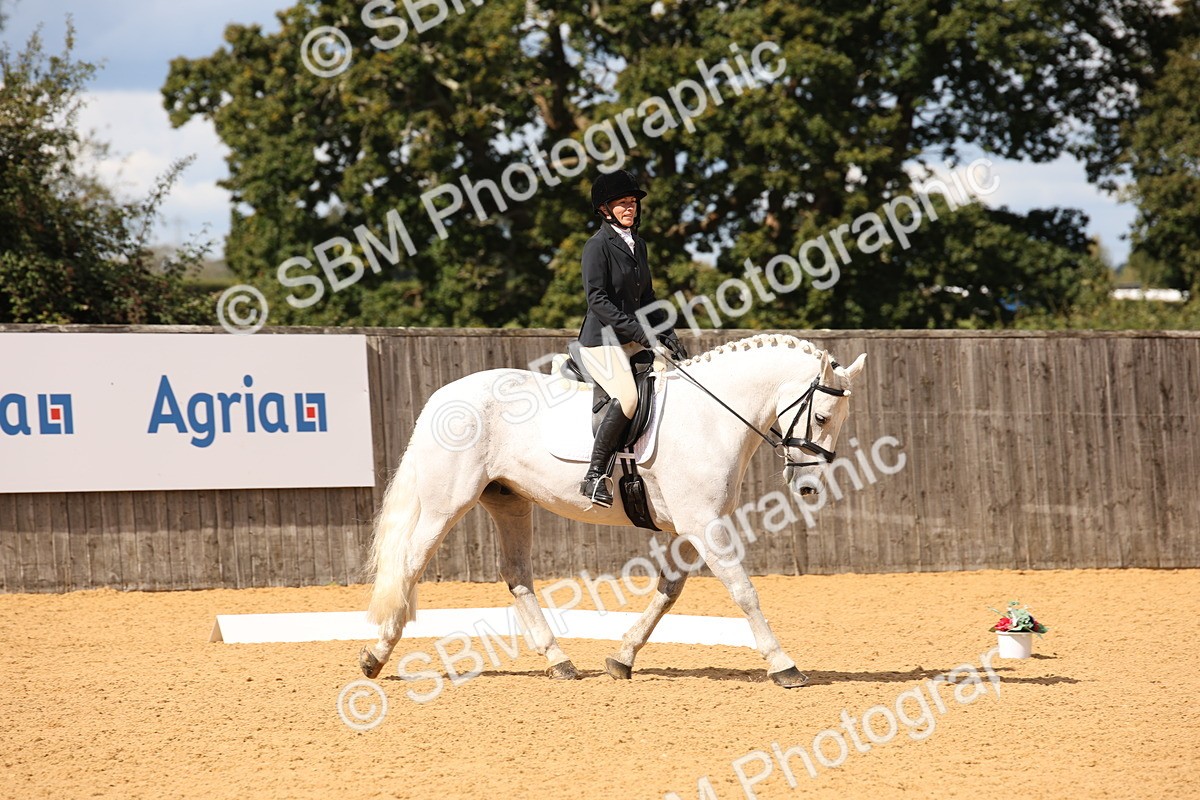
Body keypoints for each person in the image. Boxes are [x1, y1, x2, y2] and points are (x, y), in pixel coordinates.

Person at [577, 169, 687, 507]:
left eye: (633, 202)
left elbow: (648, 298)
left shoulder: (637, 245)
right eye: (623, 203)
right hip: (602, 341)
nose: (630, 208)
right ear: (605, 209)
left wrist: (667, 332)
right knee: (628, 400)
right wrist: (640, 332)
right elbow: (597, 300)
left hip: (633, 340)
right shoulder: (597, 246)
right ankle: (595, 475)